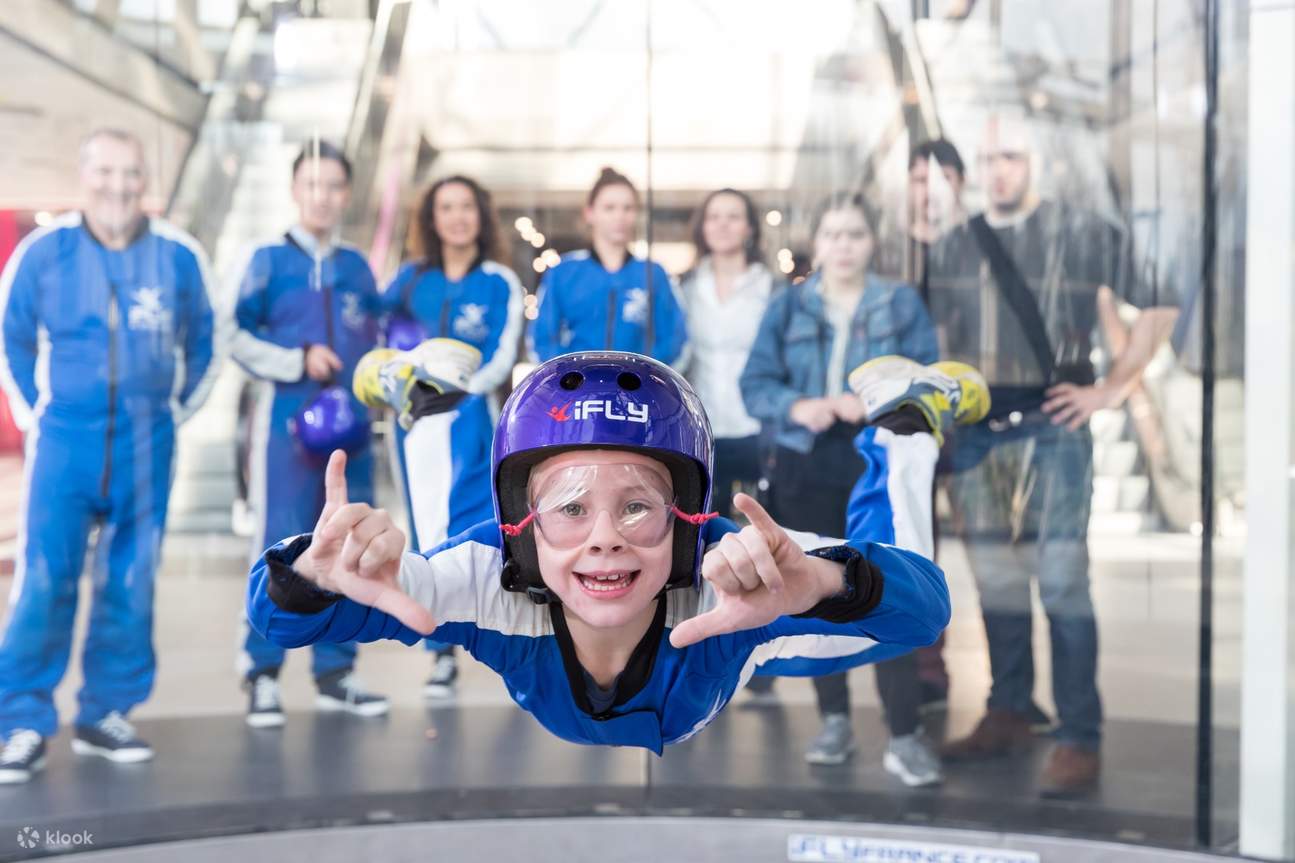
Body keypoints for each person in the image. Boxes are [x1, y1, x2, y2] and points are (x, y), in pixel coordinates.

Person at [247, 350, 988, 754]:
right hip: (511, 570)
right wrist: (310, 575)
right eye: (570, 507)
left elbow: (923, 610)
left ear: (690, 520)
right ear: (523, 525)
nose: (605, 536)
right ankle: (430, 403)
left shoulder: (735, 576)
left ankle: (906, 421)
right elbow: (278, 618)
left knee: (880, 583)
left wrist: (827, 583)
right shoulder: (490, 572)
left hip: (735, 642)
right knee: (435, 556)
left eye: (638, 506)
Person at [928, 114, 1178, 796]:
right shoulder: (952, 246)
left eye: (1011, 156)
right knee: (997, 582)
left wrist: (1112, 388)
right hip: (978, 430)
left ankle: (1077, 736)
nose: (999, 171)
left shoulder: (1081, 231)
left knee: (1063, 581)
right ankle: (1009, 710)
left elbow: (1160, 303)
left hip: (1053, 423)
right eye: (988, 159)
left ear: (1034, 161)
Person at [0, 128, 221, 782]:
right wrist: (35, 414)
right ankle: (21, 718)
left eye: (130, 173)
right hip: (64, 441)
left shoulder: (178, 256)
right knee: (44, 578)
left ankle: (106, 712)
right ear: (84, 176)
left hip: (147, 442)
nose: (118, 186)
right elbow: (11, 336)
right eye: (105, 172)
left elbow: (206, 340)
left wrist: (173, 410)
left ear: (145, 181)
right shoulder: (45, 253)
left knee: (131, 579)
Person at [740, 192, 941, 784]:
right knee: (816, 590)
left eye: (855, 234)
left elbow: (926, 385)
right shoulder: (789, 305)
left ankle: (904, 733)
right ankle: (834, 721)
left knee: (887, 584)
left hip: (874, 460)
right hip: (804, 460)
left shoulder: (899, 303)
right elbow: (755, 383)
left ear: (872, 242)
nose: (844, 245)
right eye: (833, 234)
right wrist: (798, 405)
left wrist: (874, 404)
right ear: (817, 243)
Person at [229, 140, 389, 729]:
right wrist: (296, 359)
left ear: (347, 195)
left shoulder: (357, 268)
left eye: (334, 186)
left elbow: (376, 337)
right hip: (285, 429)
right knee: (280, 543)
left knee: (350, 543)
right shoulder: (266, 261)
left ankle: (336, 672)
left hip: (351, 432)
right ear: (295, 190)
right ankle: (262, 673)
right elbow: (234, 335)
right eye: (312, 184)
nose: (322, 196)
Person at [380, 175, 523, 699]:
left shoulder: (499, 281)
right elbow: (381, 343)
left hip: (473, 420)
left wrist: (460, 388)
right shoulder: (409, 280)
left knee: (484, 532)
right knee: (427, 531)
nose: (458, 217)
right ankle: (439, 652)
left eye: (467, 206)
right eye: (446, 207)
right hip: (415, 425)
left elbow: (503, 352)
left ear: (481, 216)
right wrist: (401, 385)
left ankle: (505, 645)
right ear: (432, 218)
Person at [679, 188, 776, 520]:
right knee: (705, 525)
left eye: (733, 217)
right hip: (700, 423)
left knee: (758, 523)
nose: (722, 224)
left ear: (749, 228)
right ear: (702, 227)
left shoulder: (770, 287)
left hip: (756, 425)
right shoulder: (686, 287)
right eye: (714, 217)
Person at [528, 168, 685, 365]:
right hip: (577, 382)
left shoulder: (653, 273)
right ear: (590, 213)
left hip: (637, 382)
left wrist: (645, 372)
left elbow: (675, 339)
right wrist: (570, 375)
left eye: (628, 208)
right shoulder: (563, 272)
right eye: (609, 208)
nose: (620, 216)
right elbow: (541, 340)